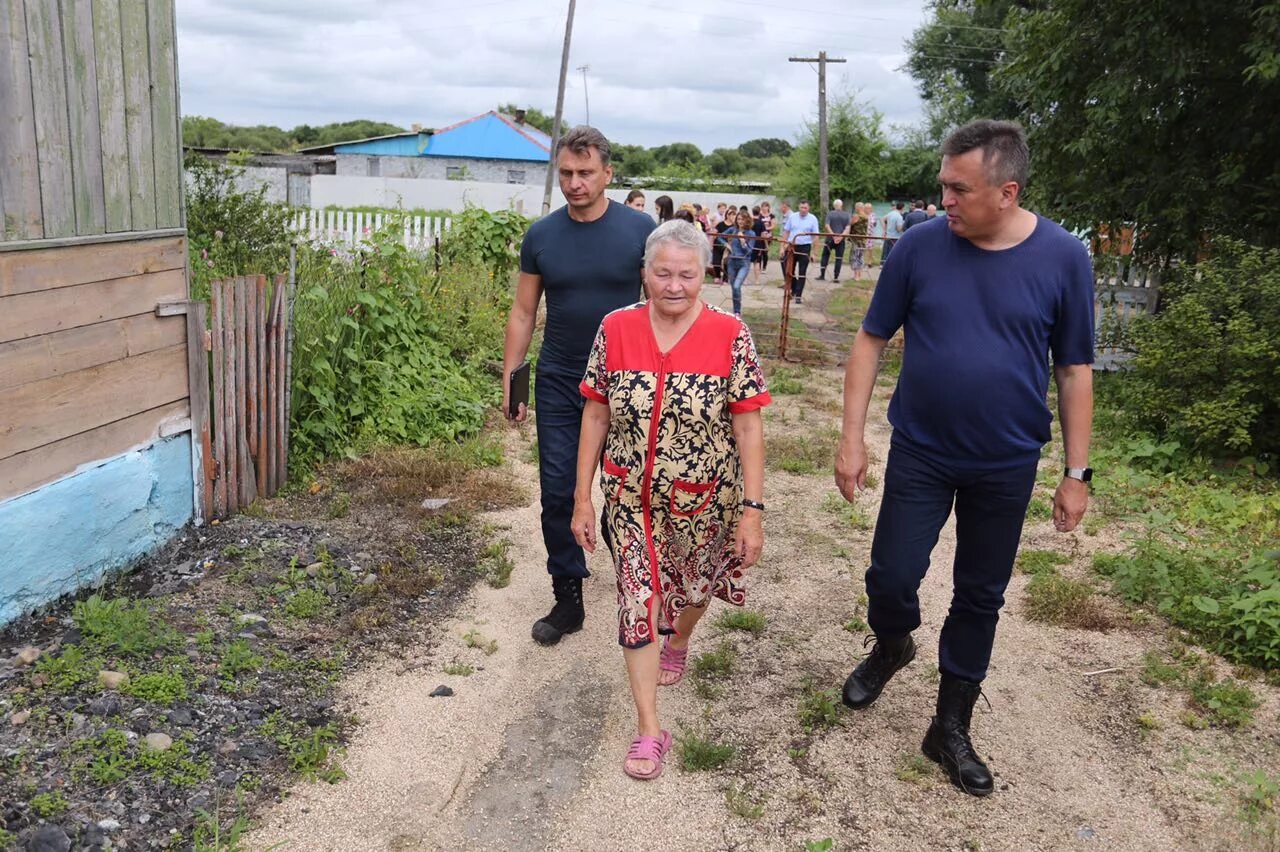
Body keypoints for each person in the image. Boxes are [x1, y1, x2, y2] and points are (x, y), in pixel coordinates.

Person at [833, 119, 1095, 797]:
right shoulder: (919, 249)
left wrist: (1075, 472)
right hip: (922, 450)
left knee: (981, 594)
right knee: (891, 577)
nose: (943, 200)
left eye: (958, 188)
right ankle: (892, 644)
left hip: (1006, 462)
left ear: (1006, 192)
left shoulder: (1064, 257)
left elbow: (1073, 369)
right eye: (942, 185)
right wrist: (851, 436)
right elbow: (870, 339)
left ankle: (949, 726)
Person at [571, 219, 770, 780]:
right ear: (645, 273)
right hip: (630, 502)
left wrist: (752, 513)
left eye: (686, 274)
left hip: (709, 502)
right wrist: (582, 499)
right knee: (637, 602)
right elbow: (595, 412)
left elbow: (749, 428)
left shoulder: (730, 334)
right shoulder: (616, 327)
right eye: (663, 273)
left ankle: (679, 636)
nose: (674, 285)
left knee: (695, 588)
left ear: (704, 274)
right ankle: (649, 730)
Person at [504, 126, 657, 647]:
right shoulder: (541, 236)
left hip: (627, 382)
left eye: (585, 172)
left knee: (628, 489)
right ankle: (568, 596)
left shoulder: (641, 230)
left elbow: (665, 303)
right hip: (560, 380)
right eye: (566, 173)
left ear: (607, 174)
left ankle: (640, 584)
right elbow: (525, 312)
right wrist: (513, 379)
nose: (574, 183)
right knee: (558, 491)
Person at [782, 200, 820, 304]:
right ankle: (793, 290)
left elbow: (816, 236)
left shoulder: (813, 219)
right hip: (792, 246)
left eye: (805, 208)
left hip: (805, 247)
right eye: (801, 208)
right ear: (799, 207)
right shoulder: (792, 217)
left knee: (802, 272)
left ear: (809, 208)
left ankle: (798, 295)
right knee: (789, 271)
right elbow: (786, 231)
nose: (803, 210)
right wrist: (782, 246)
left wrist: (814, 253)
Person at [722, 208, 757, 316]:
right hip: (732, 262)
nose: (740, 221)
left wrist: (743, 241)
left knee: (737, 286)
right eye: (738, 219)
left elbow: (750, 251)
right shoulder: (733, 230)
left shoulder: (751, 233)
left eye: (742, 219)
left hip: (744, 262)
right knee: (734, 288)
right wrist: (726, 244)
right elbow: (719, 236)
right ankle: (736, 311)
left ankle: (737, 311)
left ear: (747, 220)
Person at [817, 199, 851, 283]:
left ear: (834, 206)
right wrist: (840, 236)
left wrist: (833, 235)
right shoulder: (847, 215)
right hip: (841, 240)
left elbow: (827, 225)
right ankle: (836, 277)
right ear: (841, 205)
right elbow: (848, 228)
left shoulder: (830, 214)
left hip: (829, 239)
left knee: (825, 255)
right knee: (838, 258)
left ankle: (822, 275)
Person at [847, 202, 869, 281]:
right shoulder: (866, 216)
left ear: (858, 208)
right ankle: (859, 275)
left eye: (856, 207)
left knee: (855, 256)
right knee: (860, 257)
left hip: (856, 240)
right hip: (863, 240)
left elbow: (850, 223)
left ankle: (856, 276)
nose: (855, 209)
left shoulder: (857, 216)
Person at [754, 201, 775, 274]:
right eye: (763, 206)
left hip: (768, 235)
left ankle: (764, 267)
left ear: (768, 207)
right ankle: (758, 266)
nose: (764, 208)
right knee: (759, 251)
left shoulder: (771, 216)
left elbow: (773, 225)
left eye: (766, 206)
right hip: (760, 235)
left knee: (765, 251)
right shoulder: (759, 215)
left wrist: (766, 228)